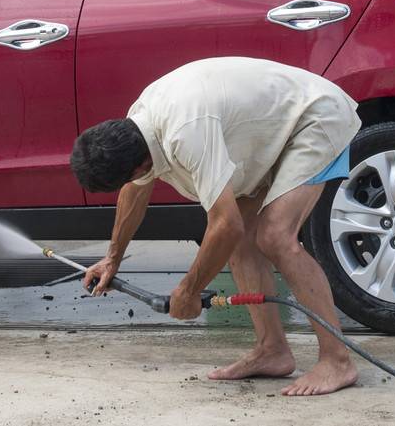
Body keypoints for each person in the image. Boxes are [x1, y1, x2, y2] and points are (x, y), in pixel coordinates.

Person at [69, 56, 362, 395]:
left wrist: (188, 292)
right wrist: (112, 258)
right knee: (240, 245)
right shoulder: (140, 123)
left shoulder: (185, 133)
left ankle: (338, 361)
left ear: (138, 166)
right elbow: (135, 191)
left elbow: (226, 224)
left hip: (315, 116)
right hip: (271, 132)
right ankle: (273, 350)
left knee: (275, 236)